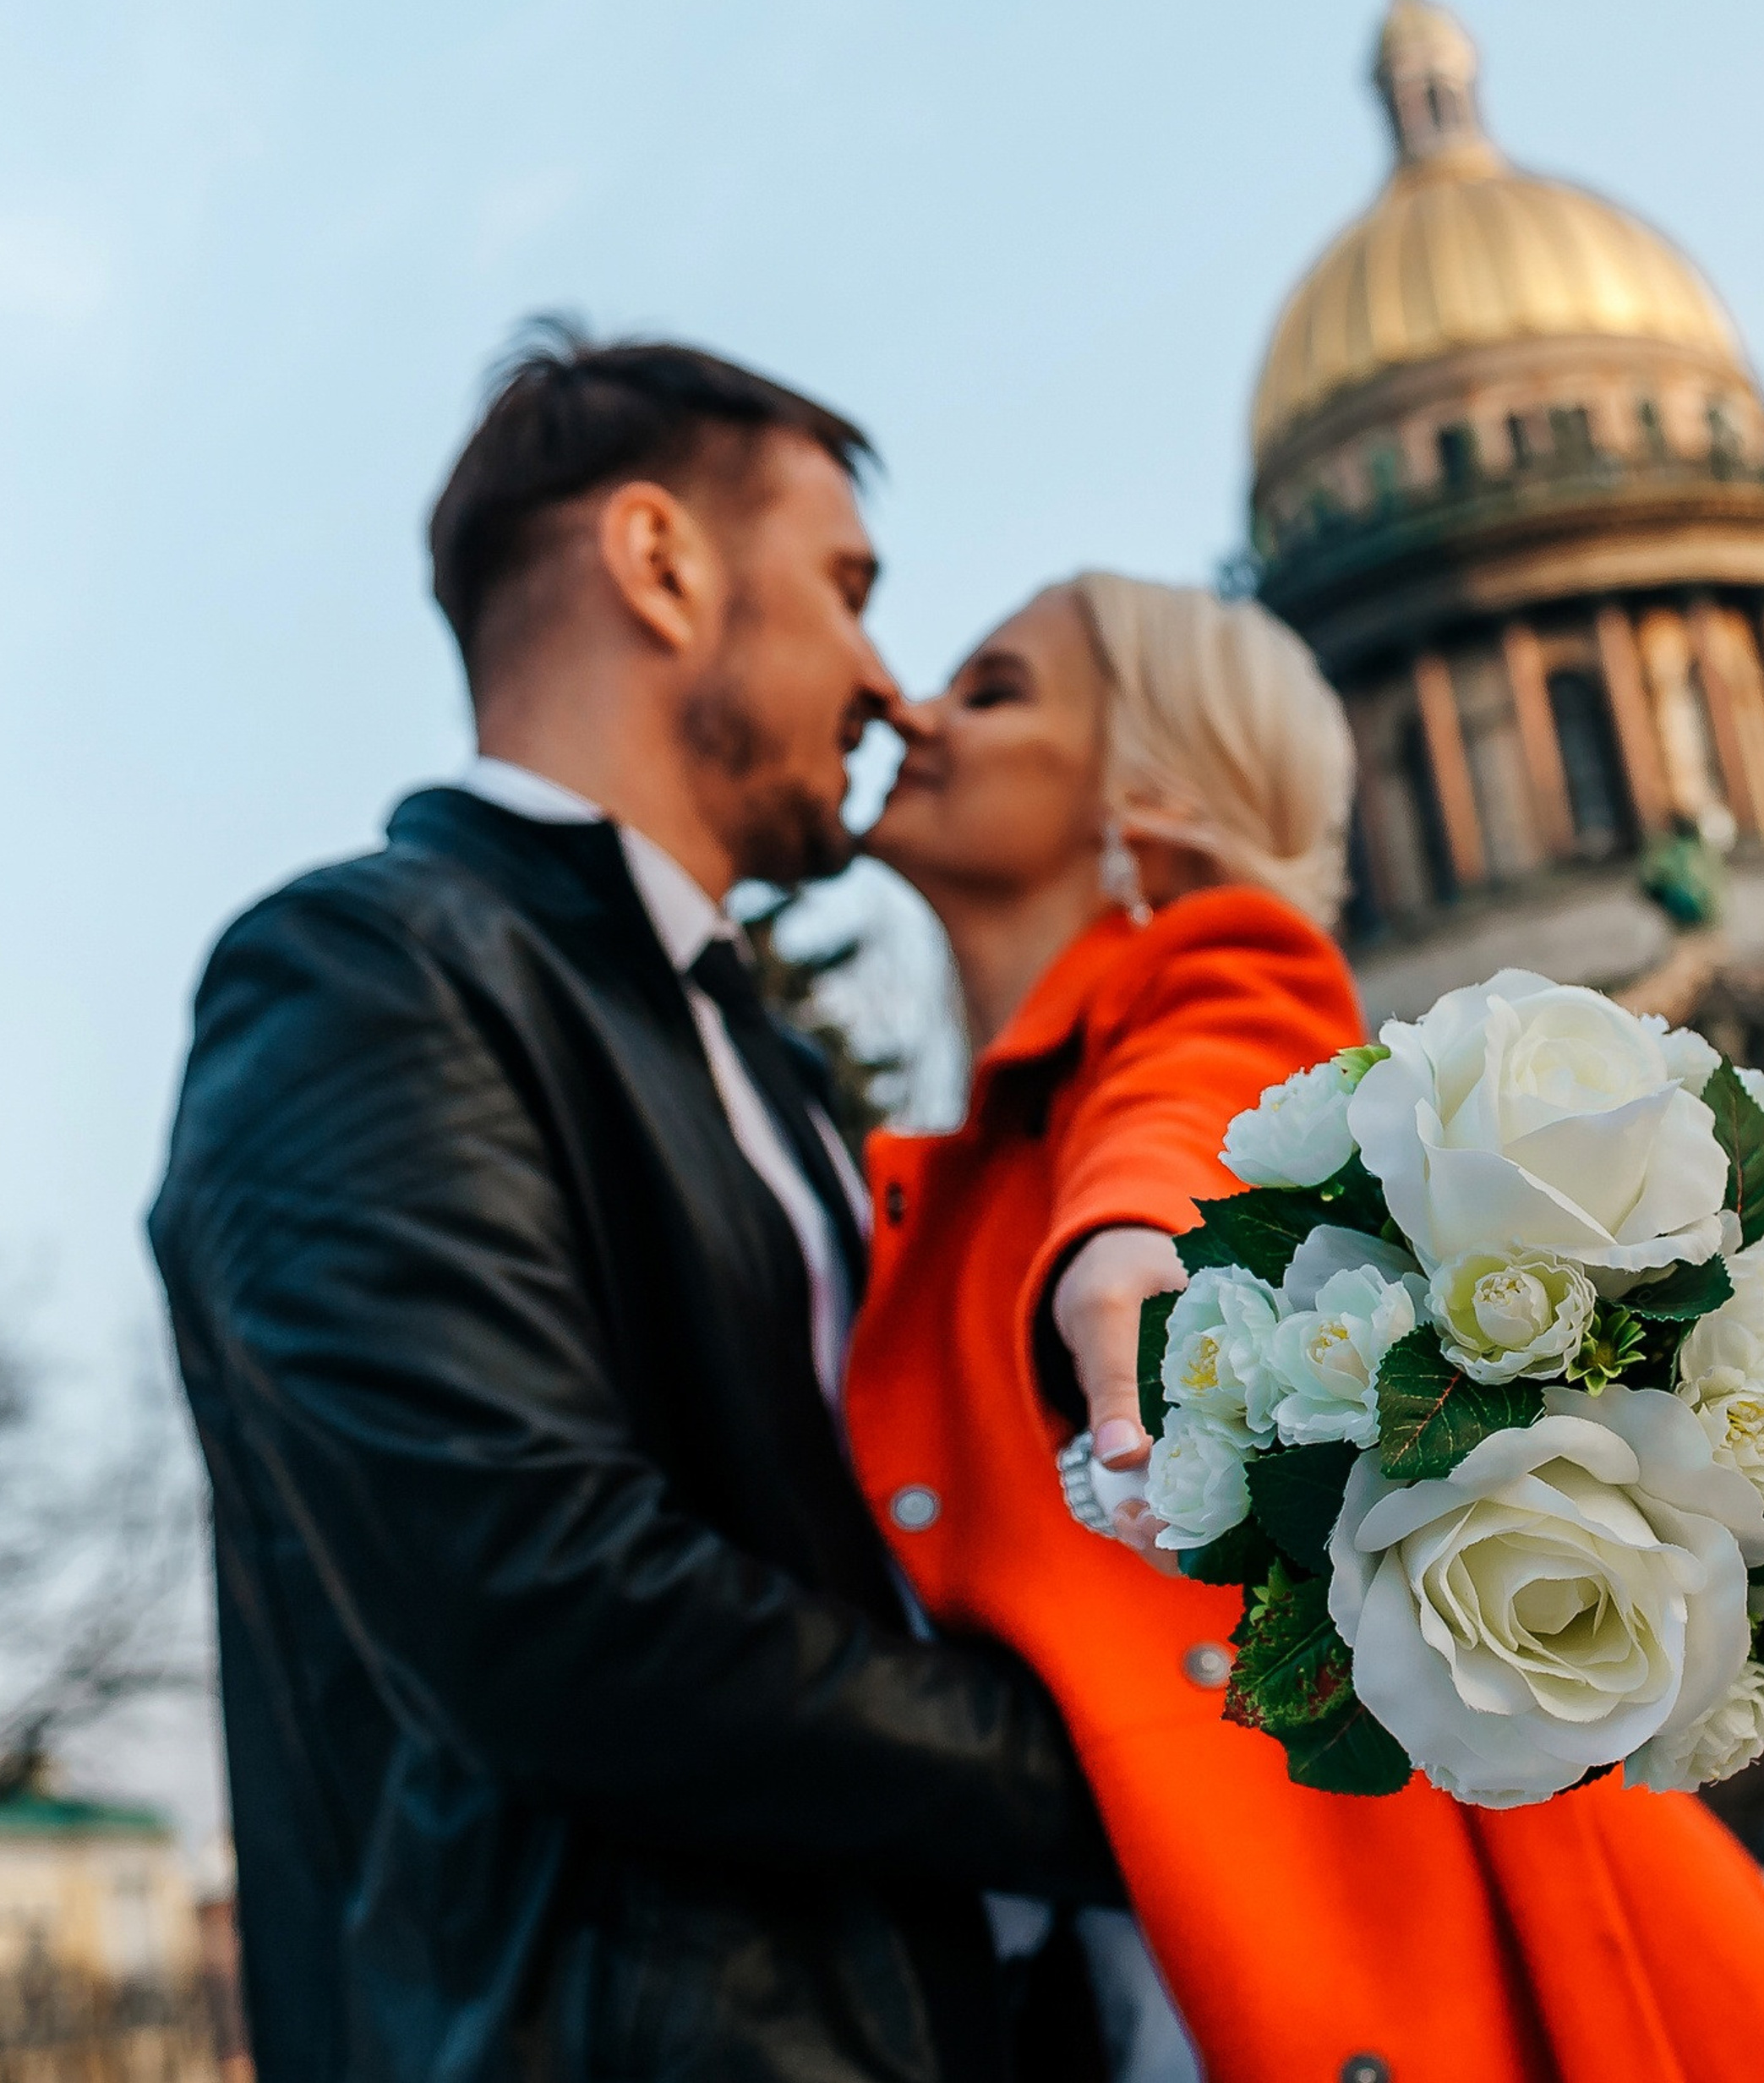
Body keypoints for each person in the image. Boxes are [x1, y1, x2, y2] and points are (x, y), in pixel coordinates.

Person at [149, 328, 1120, 2080]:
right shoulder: (363, 972)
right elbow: (541, 1597)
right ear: (660, 561)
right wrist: (1122, 1771)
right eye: (844, 584)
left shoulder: (768, 1068)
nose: (888, 680)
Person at [846, 573, 1764, 2083]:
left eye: (994, 689)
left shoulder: (1214, 975)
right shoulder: (990, 1139)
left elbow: (1190, 1106)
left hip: (1397, 1970)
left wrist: (1133, 1247)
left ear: (1144, 811)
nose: (913, 710)